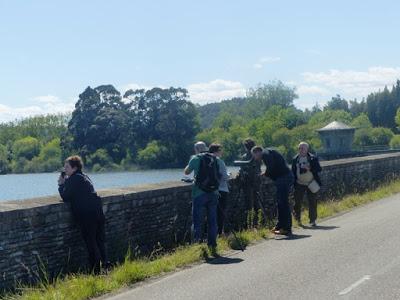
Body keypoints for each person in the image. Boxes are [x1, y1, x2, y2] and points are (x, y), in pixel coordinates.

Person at [58, 155, 108, 273]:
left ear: (74, 168)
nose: (65, 169)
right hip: (97, 212)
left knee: (91, 242)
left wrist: (61, 184)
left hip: (87, 215)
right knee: (99, 241)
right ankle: (105, 266)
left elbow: (65, 196)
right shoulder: (84, 176)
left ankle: (96, 271)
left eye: (67, 167)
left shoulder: (74, 179)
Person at [184, 141, 220, 251]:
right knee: (212, 220)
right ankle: (212, 244)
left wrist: (192, 159)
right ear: (205, 148)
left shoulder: (196, 158)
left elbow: (186, 172)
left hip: (199, 193)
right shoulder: (214, 158)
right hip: (213, 192)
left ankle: (197, 246)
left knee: (197, 220)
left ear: (196, 149)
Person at [252, 146, 294, 235]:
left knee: (283, 204)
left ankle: (286, 228)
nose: (255, 158)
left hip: (283, 178)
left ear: (257, 152)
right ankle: (280, 226)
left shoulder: (265, 153)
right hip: (284, 177)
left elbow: (271, 165)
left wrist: (266, 173)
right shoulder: (269, 152)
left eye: (254, 155)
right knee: (280, 203)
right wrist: (267, 173)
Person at [292, 142, 322, 227]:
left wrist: (310, 168)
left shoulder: (313, 158)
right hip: (299, 183)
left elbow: (319, 169)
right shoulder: (295, 159)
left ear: (307, 149)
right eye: (300, 148)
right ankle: (298, 221)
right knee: (297, 202)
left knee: (312, 202)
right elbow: (293, 171)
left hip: (311, 182)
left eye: (303, 148)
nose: (301, 150)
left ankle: (312, 220)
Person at [209, 143, 230, 235]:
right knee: (220, 213)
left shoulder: (206, 160)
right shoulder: (219, 161)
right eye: (220, 150)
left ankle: (210, 233)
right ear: (216, 151)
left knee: (211, 212)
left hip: (209, 190)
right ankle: (219, 233)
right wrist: (229, 175)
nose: (221, 152)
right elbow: (224, 177)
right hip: (222, 189)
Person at [238, 138, 262, 211]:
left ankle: (250, 218)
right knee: (257, 200)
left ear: (246, 147)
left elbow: (242, 169)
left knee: (248, 201)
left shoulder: (245, 156)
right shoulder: (258, 156)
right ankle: (256, 218)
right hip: (257, 179)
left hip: (247, 181)